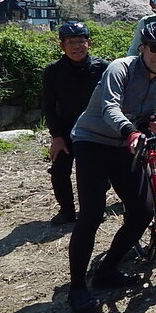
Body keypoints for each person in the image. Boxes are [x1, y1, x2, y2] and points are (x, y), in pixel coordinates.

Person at [67, 20, 156, 313]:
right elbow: (109, 107)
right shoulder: (121, 68)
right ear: (142, 48)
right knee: (92, 213)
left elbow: (143, 110)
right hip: (92, 140)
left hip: (125, 144)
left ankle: (106, 271)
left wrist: (149, 120)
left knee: (143, 211)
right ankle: (77, 288)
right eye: (154, 47)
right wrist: (131, 130)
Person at [40, 22, 108, 225]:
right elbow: (49, 106)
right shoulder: (53, 71)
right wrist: (57, 137)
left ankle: (94, 209)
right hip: (66, 127)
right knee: (59, 171)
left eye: (80, 41)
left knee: (95, 172)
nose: (76, 46)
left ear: (89, 43)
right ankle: (67, 210)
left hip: (95, 128)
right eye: (70, 42)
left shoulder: (103, 67)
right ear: (62, 45)